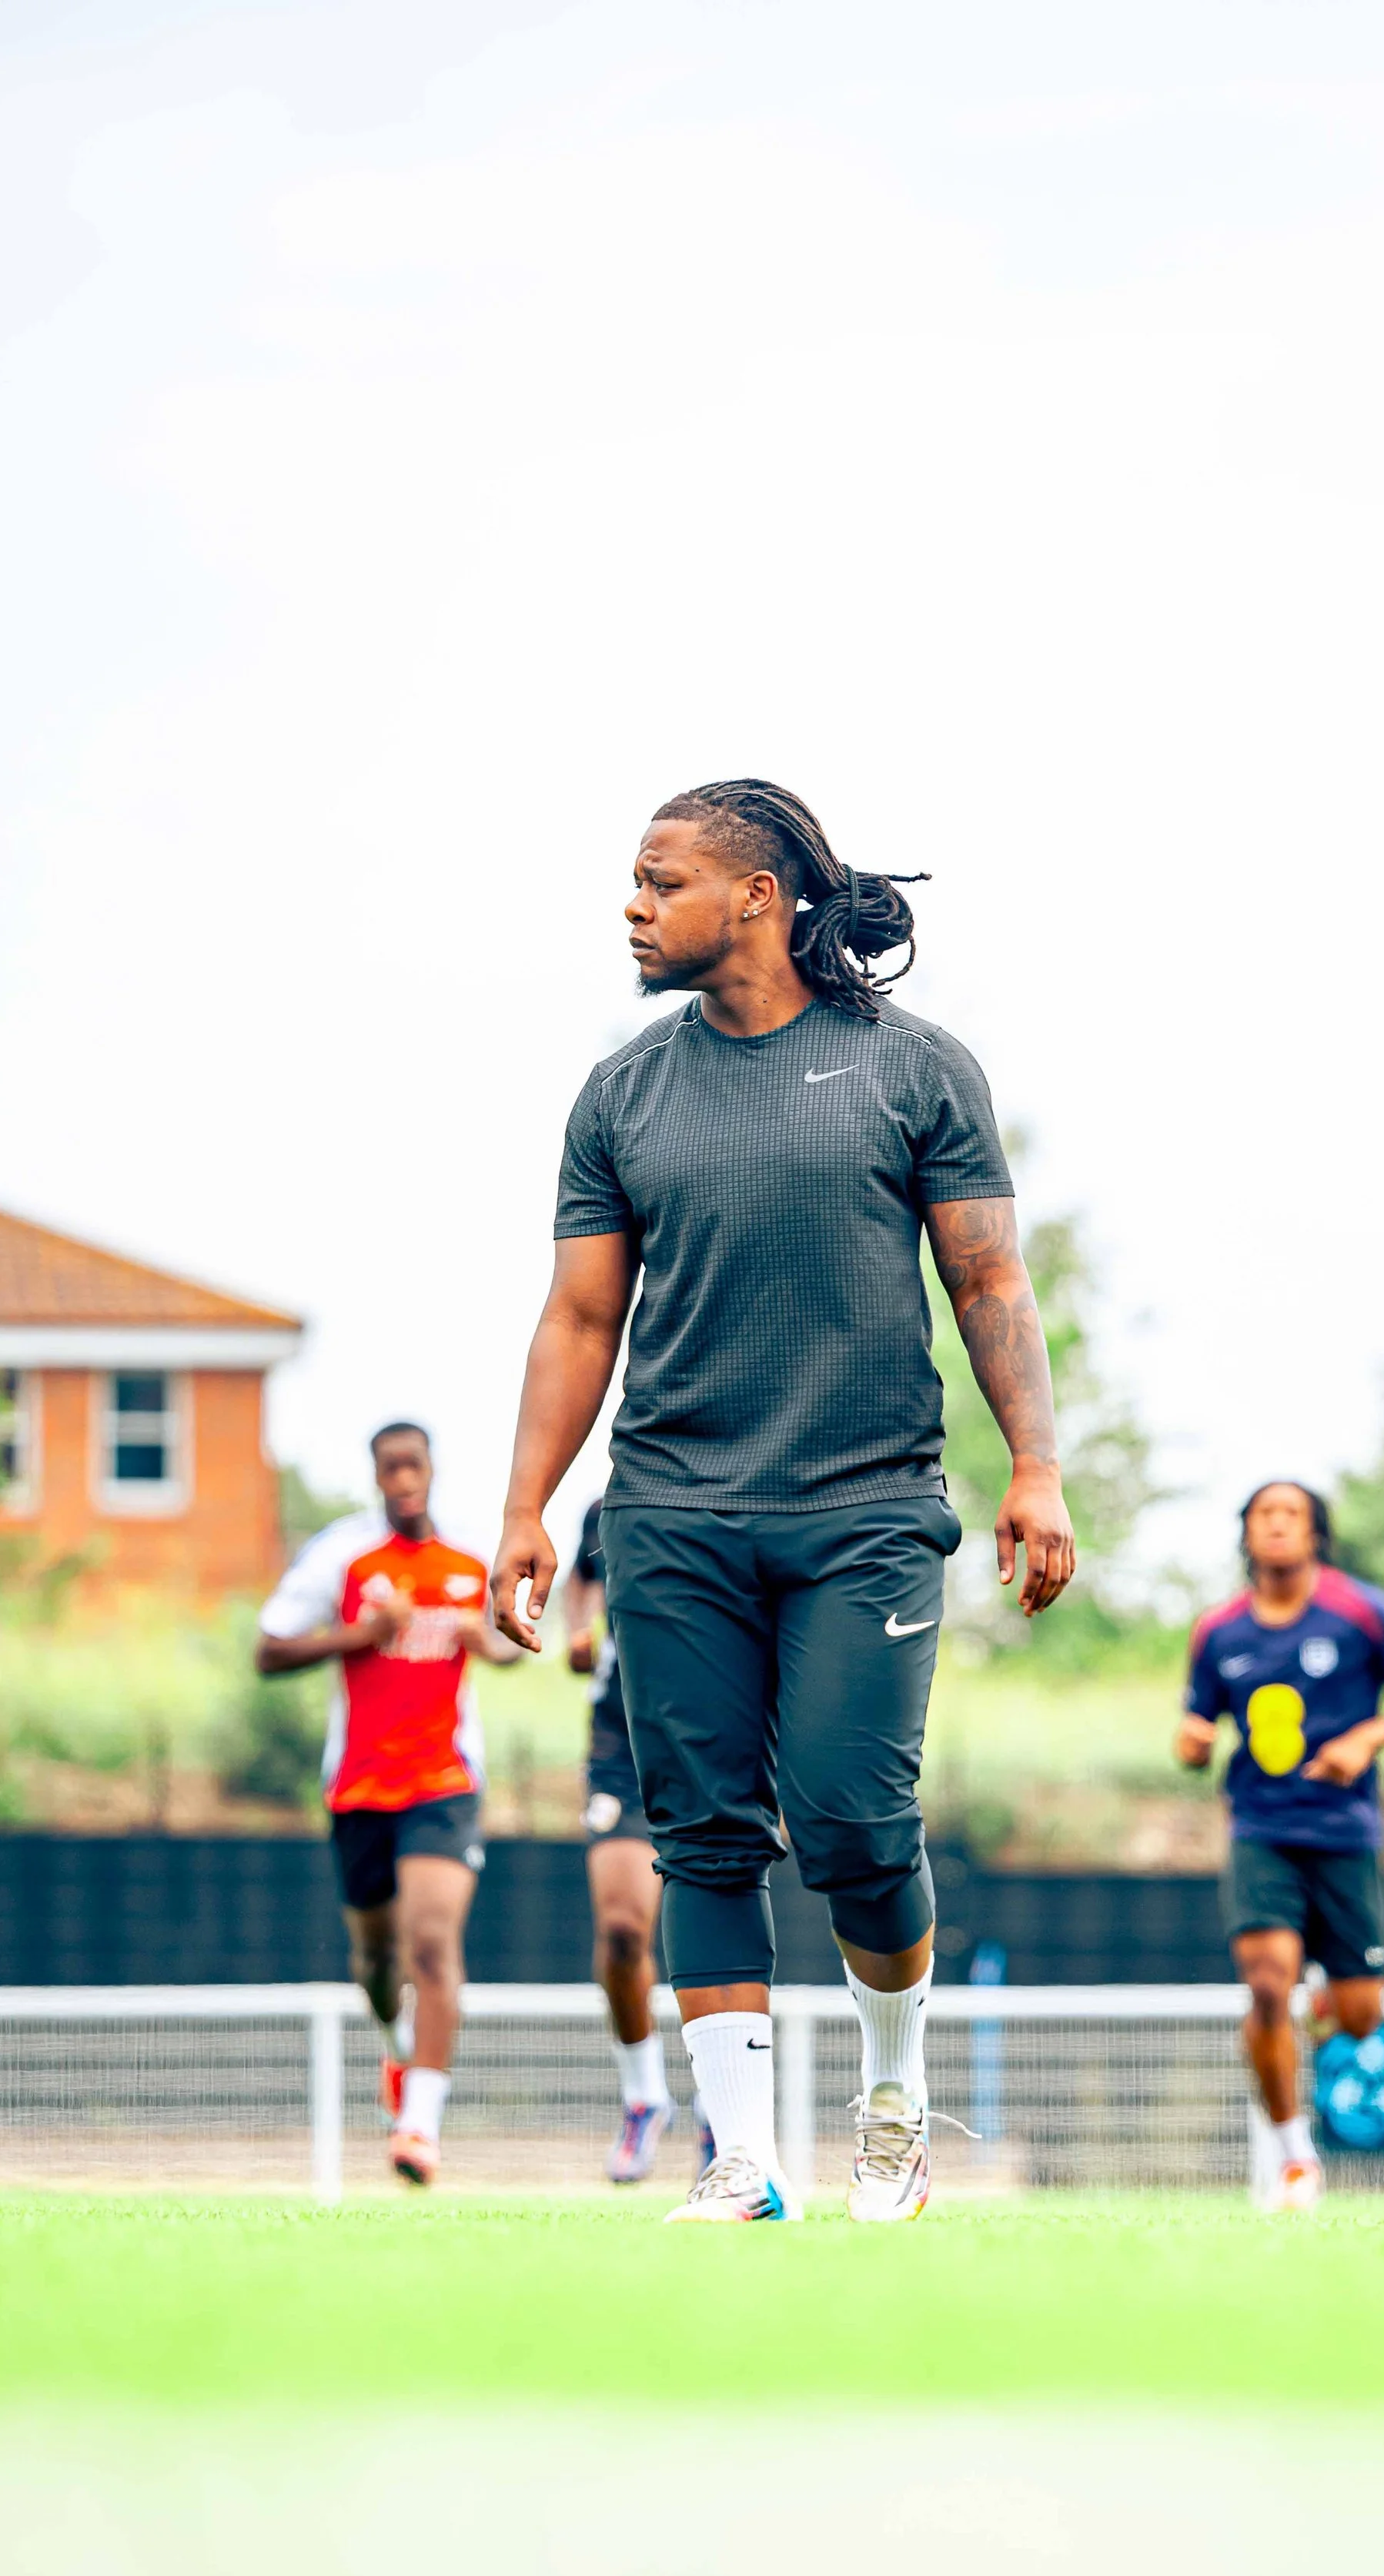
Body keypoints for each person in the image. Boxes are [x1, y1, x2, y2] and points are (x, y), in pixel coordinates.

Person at [491, 778, 1075, 2223]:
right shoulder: (624, 1091)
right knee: (701, 1835)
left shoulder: (913, 1067)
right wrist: (525, 1509)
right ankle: (742, 2160)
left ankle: (894, 2104)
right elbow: (580, 1319)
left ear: (756, 896)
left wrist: (1038, 1467)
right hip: (672, 1510)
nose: (634, 908)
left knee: (856, 1823)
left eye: (661, 881)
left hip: (865, 1508)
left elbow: (988, 1279)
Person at [1176, 1480, 1384, 2210]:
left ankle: (1333, 1993)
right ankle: (1294, 2154)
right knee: (1269, 1986)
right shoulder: (1218, 1631)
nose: (1276, 1526)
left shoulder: (1362, 1611)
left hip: (1345, 1833)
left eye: (1290, 1515)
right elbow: (1196, 1725)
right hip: (1260, 1830)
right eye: (1263, 1515)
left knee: (1360, 2018)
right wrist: (1192, 1744)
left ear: (1315, 1533)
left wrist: (1366, 1738)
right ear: (1246, 1534)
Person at [256, 1423, 510, 2186]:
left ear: (432, 1469)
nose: (403, 1480)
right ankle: (398, 2049)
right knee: (375, 1959)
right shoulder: (343, 1555)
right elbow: (270, 1648)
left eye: (413, 1466)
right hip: (360, 1784)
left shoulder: (468, 1555)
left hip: (444, 1782)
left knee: (431, 1944)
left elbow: (509, 1643)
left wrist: (485, 1638)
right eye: (389, 1469)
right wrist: (362, 1635)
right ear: (375, 1477)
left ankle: (419, 2128)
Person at [560, 1497, 711, 2183]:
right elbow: (581, 1578)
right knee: (623, 1930)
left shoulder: (741, 1485)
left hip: (716, 1735)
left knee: (714, 1917)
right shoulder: (611, 1507)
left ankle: (721, 2103)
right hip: (621, 1744)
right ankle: (645, 2096)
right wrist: (579, 1629)